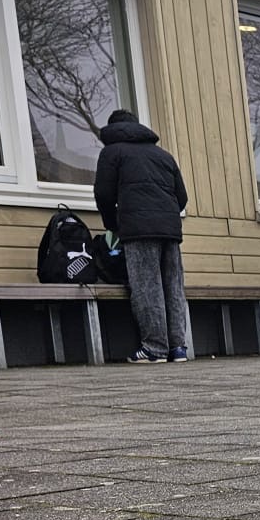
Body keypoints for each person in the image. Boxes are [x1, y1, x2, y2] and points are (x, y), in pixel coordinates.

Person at [93, 109, 190, 364]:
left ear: (112, 129)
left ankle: (154, 348)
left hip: (138, 229)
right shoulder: (164, 155)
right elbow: (182, 198)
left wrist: (113, 224)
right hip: (170, 230)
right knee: (173, 286)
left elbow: (103, 194)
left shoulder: (112, 152)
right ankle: (178, 347)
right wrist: (165, 214)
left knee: (147, 286)